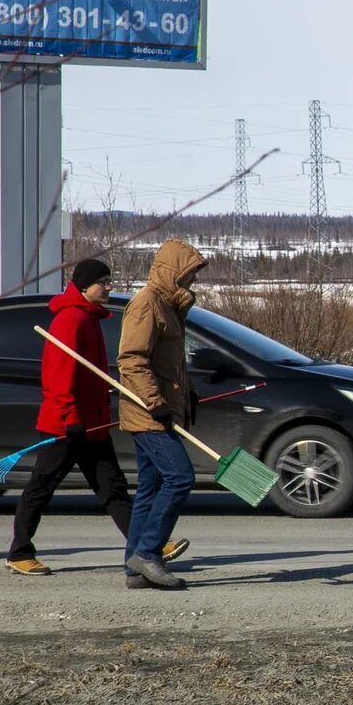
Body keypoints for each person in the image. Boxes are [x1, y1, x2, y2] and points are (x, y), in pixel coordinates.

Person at [6, 258, 186, 576]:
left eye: (108, 281)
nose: (108, 287)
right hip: (65, 426)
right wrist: (71, 416)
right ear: (85, 286)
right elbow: (58, 376)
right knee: (42, 486)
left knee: (113, 489)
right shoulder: (70, 320)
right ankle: (19, 552)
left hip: (93, 425)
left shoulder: (89, 318)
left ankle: (148, 546)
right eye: (103, 282)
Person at [114, 238, 208, 592]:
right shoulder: (146, 304)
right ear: (173, 272)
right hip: (146, 411)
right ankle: (149, 553)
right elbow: (132, 359)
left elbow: (168, 362)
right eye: (189, 274)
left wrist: (188, 394)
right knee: (180, 477)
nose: (193, 281)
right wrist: (154, 402)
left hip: (159, 408)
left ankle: (134, 567)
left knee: (150, 489)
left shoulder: (168, 305)